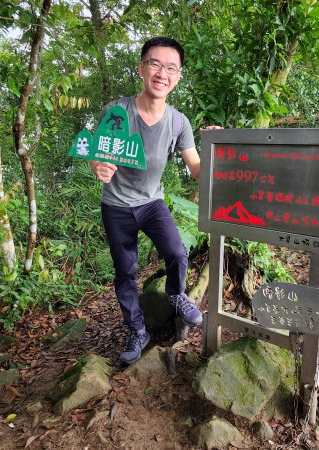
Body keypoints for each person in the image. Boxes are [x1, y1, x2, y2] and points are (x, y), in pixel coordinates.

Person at [90, 37, 203, 365]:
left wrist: (221, 149)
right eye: (155, 64)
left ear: (177, 77)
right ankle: (137, 331)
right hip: (116, 207)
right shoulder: (117, 111)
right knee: (125, 271)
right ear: (141, 68)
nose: (162, 73)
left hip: (152, 204)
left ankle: (175, 294)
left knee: (177, 253)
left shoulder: (178, 122)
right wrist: (99, 165)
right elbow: (97, 155)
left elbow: (196, 168)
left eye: (170, 68)